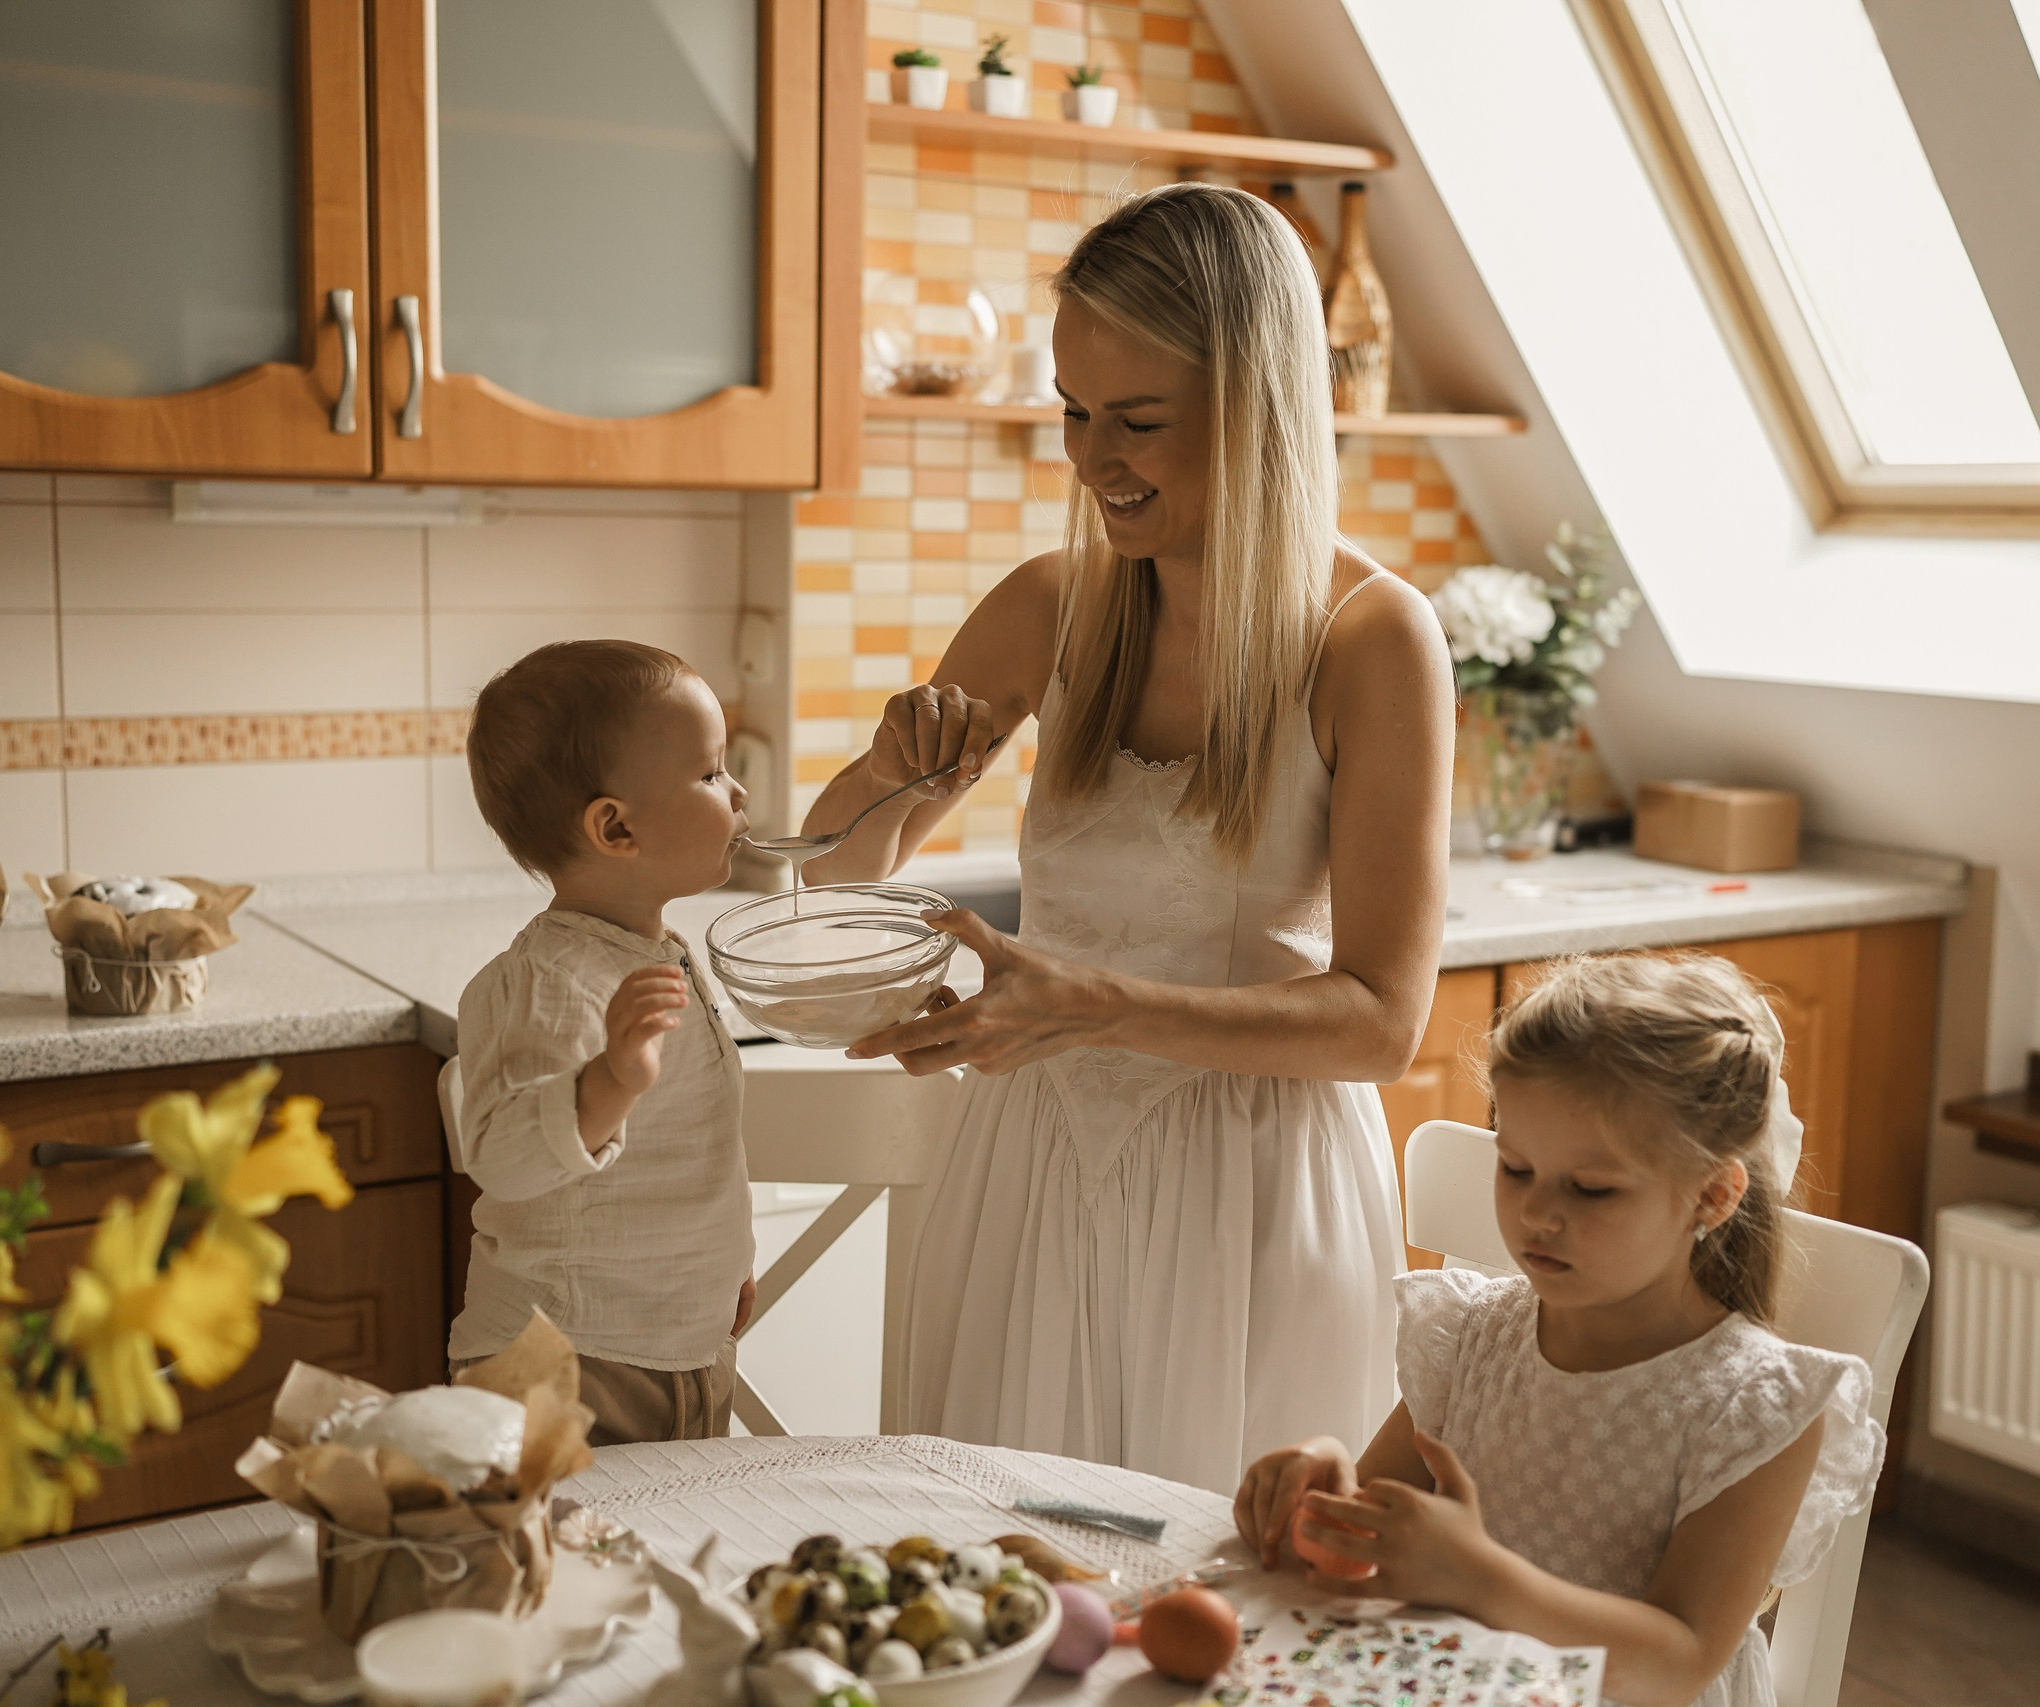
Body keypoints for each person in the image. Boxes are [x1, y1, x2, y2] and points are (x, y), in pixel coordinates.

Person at [798, 182, 1456, 1494]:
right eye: (1073, 413)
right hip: (1030, 1172)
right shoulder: (1050, 605)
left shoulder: (1375, 638)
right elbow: (830, 882)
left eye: (1138, 421)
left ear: (1260, 404)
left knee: (1225, 1621)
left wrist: (1091, 1004)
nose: (1093, 459)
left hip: (1253, 1194)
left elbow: (1384, 1019)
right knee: (1003, 1573)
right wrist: (883, 772)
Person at [1235, 954, 1884, 1707]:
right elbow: (1381, 1521)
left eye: (1590, 1187)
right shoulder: (1473, 1336)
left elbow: (1680, 1660)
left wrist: (1478, 1575)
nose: (1539, 1213)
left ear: (1711, 1196)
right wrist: (1325, 1481)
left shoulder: (1756, 1406)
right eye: (1516, 1168)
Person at [445, 639, 757, 1444]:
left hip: (671, 1343)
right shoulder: (555, 980)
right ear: (615, 826)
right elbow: (504, 1157)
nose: (739, 792)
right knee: (560, 1564)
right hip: (567, 1359)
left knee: (651, 1563)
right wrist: (608, 1083)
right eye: (712, 774)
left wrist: (727, 1263)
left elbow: (688, 1143)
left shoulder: (656, 948)